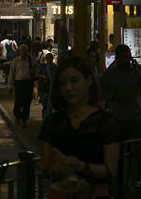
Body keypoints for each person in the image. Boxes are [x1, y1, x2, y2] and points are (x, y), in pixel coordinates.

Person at [39, 56, 119, 198]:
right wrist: (56, 169)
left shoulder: (105, 121)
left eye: (74, 81)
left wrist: (80, 166)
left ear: (89, 81)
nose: (68, 88)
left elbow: (111, 170)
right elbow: (45, 168)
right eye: (62, 83)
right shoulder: (53, 122)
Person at [99, 44, 141, 141]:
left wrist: (137, 72)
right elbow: (101, 93)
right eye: (122, 58)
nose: (124, 61)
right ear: (117, 58)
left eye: (126, 58)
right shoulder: (110, 73)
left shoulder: (138, 70)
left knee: (138, 146)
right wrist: (113, 95)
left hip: (136, 115)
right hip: (118, 116)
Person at [8, 43, 37, 127]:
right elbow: (11, 74)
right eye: (22, 50)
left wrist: (33, 70)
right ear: (19, 52)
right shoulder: (16, 61)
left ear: (27, 52)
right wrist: (10, 86)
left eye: (25, 51)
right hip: (19, 83)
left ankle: (24, 119)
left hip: (28, 83)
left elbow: (37, 66)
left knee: (27, 102)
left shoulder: (30, 60)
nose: (23, 52)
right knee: (18, 101)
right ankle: (17, 117)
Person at [36, 52, 56, 119]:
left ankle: (46, 118)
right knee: (45, 104)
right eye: (47, 58)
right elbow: (36, 74)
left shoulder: (55, 67)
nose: (49, 59)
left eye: (50, 58)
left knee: (49, 105)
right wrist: (42, 76)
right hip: (44, 89)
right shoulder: (43, 66)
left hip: (51, 89)